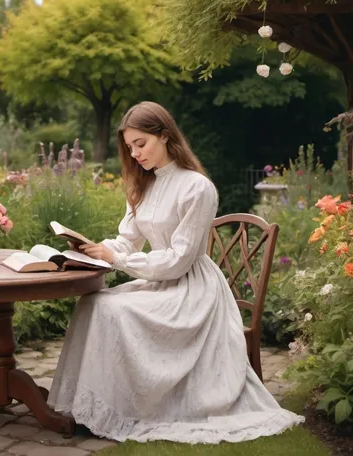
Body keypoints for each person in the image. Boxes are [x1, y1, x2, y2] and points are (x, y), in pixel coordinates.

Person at [47, 101, 304, 444]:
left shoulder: (197, 188)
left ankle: (139, 408)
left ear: (165, 136)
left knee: (113, 309)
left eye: (141, 144)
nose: (135, 154)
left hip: (192, 290)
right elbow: (127, 241)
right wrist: (96, 250)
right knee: (94, 302)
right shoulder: (143, 185)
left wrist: (119, 260)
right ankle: (97, 407)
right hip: (160, 282)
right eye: (129, 147)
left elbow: (179, 260)